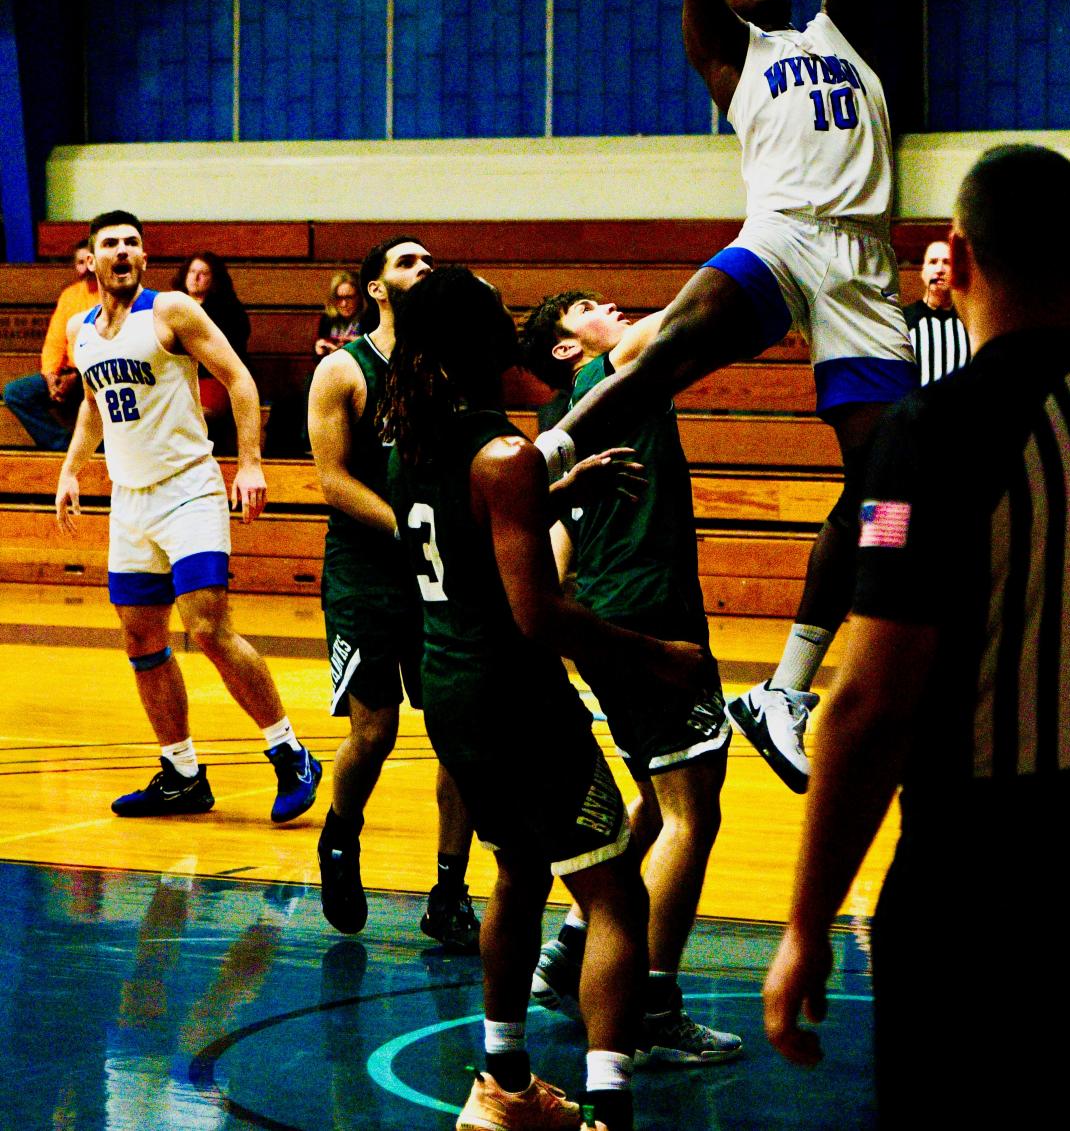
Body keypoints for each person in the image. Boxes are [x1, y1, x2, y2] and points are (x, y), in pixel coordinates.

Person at [762, 146, 1070, 1131]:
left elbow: (870, 705)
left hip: (976, 889)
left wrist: (808, 920)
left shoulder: (928, 432)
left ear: (960, 255)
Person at [531, 0, 917, 794]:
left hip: (864, 271)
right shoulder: (725, 56)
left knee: (885, 491)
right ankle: (543, 463)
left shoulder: (846, 34)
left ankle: (788, 686)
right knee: (661, 354)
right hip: (784, 235)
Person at [384, 266, 711, 1131]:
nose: (506, 321)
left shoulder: (413, 441)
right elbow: (538, 614)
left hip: (450, 690)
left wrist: (559, 492)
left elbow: (470, 525)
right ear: (477, 342)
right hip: (514, 694)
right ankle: (609, 1109)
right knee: (615, 897)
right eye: (495, 311)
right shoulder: (503, 454)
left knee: (520, 870)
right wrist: (657, 658)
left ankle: (502, 1086)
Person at [520, 290, 741, 1066]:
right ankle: (654, 1002)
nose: (610, 305)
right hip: (652, 608)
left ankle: (571, 948)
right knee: (693, 813)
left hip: (609, 611)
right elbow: (691, 314)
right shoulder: (608, 373)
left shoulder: (554, 428)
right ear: (564, 349)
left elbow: (556, 546)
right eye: (587, 304)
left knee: (656, 791)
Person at [54, 211, 321, 823]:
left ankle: (289, 752)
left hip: (189, 489)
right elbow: (95, 406)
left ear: (144, 259)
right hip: (129, 501)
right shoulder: (80, 329)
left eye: (132, 244)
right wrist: (71, 468)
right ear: (91, 261)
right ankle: (180, 773)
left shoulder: (172, 310)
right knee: (141, 638)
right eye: (109, 245)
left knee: (206, 627)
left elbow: (239, 379)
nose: (122, 252)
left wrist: (249, 463)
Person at [307, 235, 480, 951]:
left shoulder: (451, 371)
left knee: (459, 736)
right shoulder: (344, 370)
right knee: (374, 731)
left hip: (439, 568)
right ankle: (341, 836)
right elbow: (333, 481)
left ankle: (449, 890)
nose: (424, 269)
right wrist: (407, 530)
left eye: (430, 262)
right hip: (367, 570)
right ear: (376, 287)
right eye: (407, 262)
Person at [3, 239, 97, 450]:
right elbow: (55, 341)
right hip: (67, 374)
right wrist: (51, 376)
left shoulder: (112, 295)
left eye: (89, 261)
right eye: (80, 262)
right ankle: (62, 445)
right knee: (15, 393)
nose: (85, 268)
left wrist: (76, 377)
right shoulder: (69, 295)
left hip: (95, 376)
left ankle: (100, 448)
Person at [171, 252, 251, 447]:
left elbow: (231, 354)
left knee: (196, 418)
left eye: (203, 273)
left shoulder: (230, 309)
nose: (195, 277)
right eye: (192, 271)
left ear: (214, 279)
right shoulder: (171, 306)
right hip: (176, 378)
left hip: (213, 379)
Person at [902, 238, 970, 385]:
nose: (939, 269)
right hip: (918, 406)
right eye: (933, 262)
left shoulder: (969, 322)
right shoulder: (904, 320)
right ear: (923, 272)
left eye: (947, 262)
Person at [314, 271, 363, 358]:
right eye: (339, 298)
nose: (344, 304)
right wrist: (320, 351)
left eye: (349, 298)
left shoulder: (370, 319)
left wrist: (362, 344)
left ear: (359, 297)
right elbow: (319, 360)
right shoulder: (327, 319)